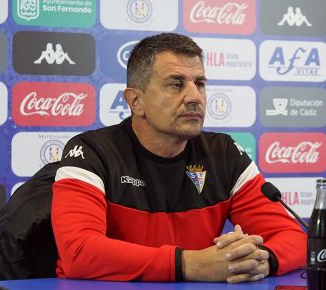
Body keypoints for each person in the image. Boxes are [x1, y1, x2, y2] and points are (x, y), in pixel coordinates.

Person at [51, 33, 306, 283]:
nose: (195, 97)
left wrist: (260, 261)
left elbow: (295, 236)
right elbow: (78, 252)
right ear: (136, 101)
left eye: (200, 83)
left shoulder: (223, 153)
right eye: (176, 84)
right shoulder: (91, 152)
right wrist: (189, 264)